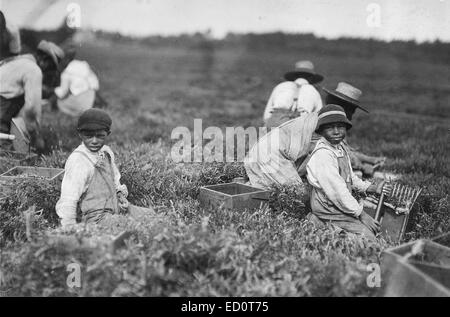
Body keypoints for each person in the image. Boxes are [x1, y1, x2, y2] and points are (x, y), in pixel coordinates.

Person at [55, 109, 154, 229]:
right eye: (89, 136)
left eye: (100, 136)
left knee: (151, 215)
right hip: (95, 219)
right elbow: (68, 198)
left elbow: (114, 179)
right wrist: (69, 226)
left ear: (108, 133)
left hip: (115, 209)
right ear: (80, 134)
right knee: (135, 227)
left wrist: (120, 196)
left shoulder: (106, 152)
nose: (94, 141)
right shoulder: (78, 161)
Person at [306, 104, 391, 240]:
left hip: (338, 205)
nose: (336, 131)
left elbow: (350, 178)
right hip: (328, 207)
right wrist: (361, 214)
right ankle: (319, 223)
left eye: (340, 126)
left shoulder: (339, 148)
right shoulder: (323, 155)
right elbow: (337, 191)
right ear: (321, 131)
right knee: (369, 238)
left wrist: (370, 187)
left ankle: (326, 224)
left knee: (374, 230)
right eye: (329, 127)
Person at [0, 40, 64, 152]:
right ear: (44, 60)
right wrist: (35, 135)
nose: (49, 71)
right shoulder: (34, 70)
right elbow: (31, 109)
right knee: (7, 154)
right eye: (51, 67)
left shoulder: (18, 61)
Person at [323, 82, 386, 177]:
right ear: (343, 108)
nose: (351, 116)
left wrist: (370, 159)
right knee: (357, 175)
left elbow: (346, 150)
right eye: (351, 111)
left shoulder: (332, 121)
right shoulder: (328, 126)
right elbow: (338, 155)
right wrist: (362, 167)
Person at [263, 60, 323, 128]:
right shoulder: (314, 91)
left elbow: (266, 115)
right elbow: (319, 118)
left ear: (294, 76)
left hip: (275, 122)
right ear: (311, 77)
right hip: (299, 125)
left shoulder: (280, 86)